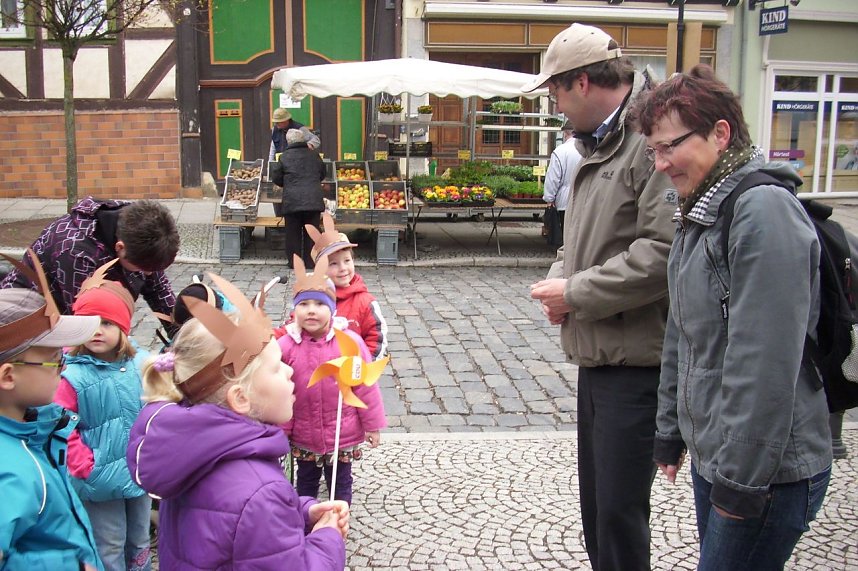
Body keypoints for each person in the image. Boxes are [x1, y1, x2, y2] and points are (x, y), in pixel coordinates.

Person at [635, 64, 832, 570]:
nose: (659, 164)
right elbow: (682, 333)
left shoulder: (761, 212)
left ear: (719, 134)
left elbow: (763, 363)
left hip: (768, 471)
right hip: (720, 456)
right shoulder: (699, 207)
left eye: (669, 146)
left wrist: (741, 483)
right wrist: (670, 432)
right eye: (652, 150)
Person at [523, 23, 675, 571]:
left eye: (556, 92)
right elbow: (581, 236)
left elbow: (663, 252)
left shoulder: (648, 141)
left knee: (617, 511)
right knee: (598, 506)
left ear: (582, 83)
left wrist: (577, 292)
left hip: (635, 359)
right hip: (601, 352)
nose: (556, 106)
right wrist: (561, 277)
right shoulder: (598, 141)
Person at [126, 271, 348, 570]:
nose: (290, 371)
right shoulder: (262, 492)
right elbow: (255, 512)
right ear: (241, 398)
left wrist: (302, 511)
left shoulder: (192, 454)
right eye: (275, 367)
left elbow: (232, 521)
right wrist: (327, 538)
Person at [0, 251, 103, 570]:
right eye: (54, 359)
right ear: (8, 376)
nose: (64, 367)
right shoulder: (9, 473)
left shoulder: (33, 434)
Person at [53, 262, 151, 571]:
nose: (97, 330)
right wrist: (84, 465)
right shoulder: (71, 375)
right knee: (109, 543)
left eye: (107, 323)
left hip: (139, 471)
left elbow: (158, 409)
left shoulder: (142, 364)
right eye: (89, 322)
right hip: (98, 478)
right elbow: (61, 424)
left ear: (123, 327)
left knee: (139, 539)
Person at [279, 255, 387, 505]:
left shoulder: (349, 343)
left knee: (341, 483)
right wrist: (281, 431)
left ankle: (339, 522)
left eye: (320, 303)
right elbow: (280, 392)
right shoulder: (285, 346)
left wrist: (372, 425)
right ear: (294, 310)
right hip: (304, 433)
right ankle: (306, 520)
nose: (312, 310)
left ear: (333, 309)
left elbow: (364, 387)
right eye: (304, 304)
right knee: (305, 482)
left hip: (342, 431)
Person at [0, 197, 180, 325]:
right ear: (120, 247)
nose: (149, 274)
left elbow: (158, 290)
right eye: (142, 268)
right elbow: (89, 323)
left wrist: (180, 335)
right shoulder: (75, 252)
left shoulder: (140, 227)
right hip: (26, 317)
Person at [306, 212, 389, 360]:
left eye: (347, 260)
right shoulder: (310, 298)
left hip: (352, 374)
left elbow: (376, 338)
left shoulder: (365, 302)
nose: (343, 268)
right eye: (333, 263)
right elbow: (293, 327)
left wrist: (363, 367)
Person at [271, 129, 327, 268]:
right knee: (312, 232)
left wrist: (287, 183)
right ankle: (311, 261)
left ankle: (294, 263)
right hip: (313, 200)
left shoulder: (284, 157)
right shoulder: (314, 155)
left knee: (292, 234)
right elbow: (322, 173)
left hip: (292, 202)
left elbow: (277, 178)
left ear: (289, 141)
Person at [542, 125, 582, 247]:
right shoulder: (588, 148)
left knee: (565, 232)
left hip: (564, 200)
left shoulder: (561, 151)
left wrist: (549, 198)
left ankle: (566, 258)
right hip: (584, 198)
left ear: (565, 134)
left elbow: (553, 177)